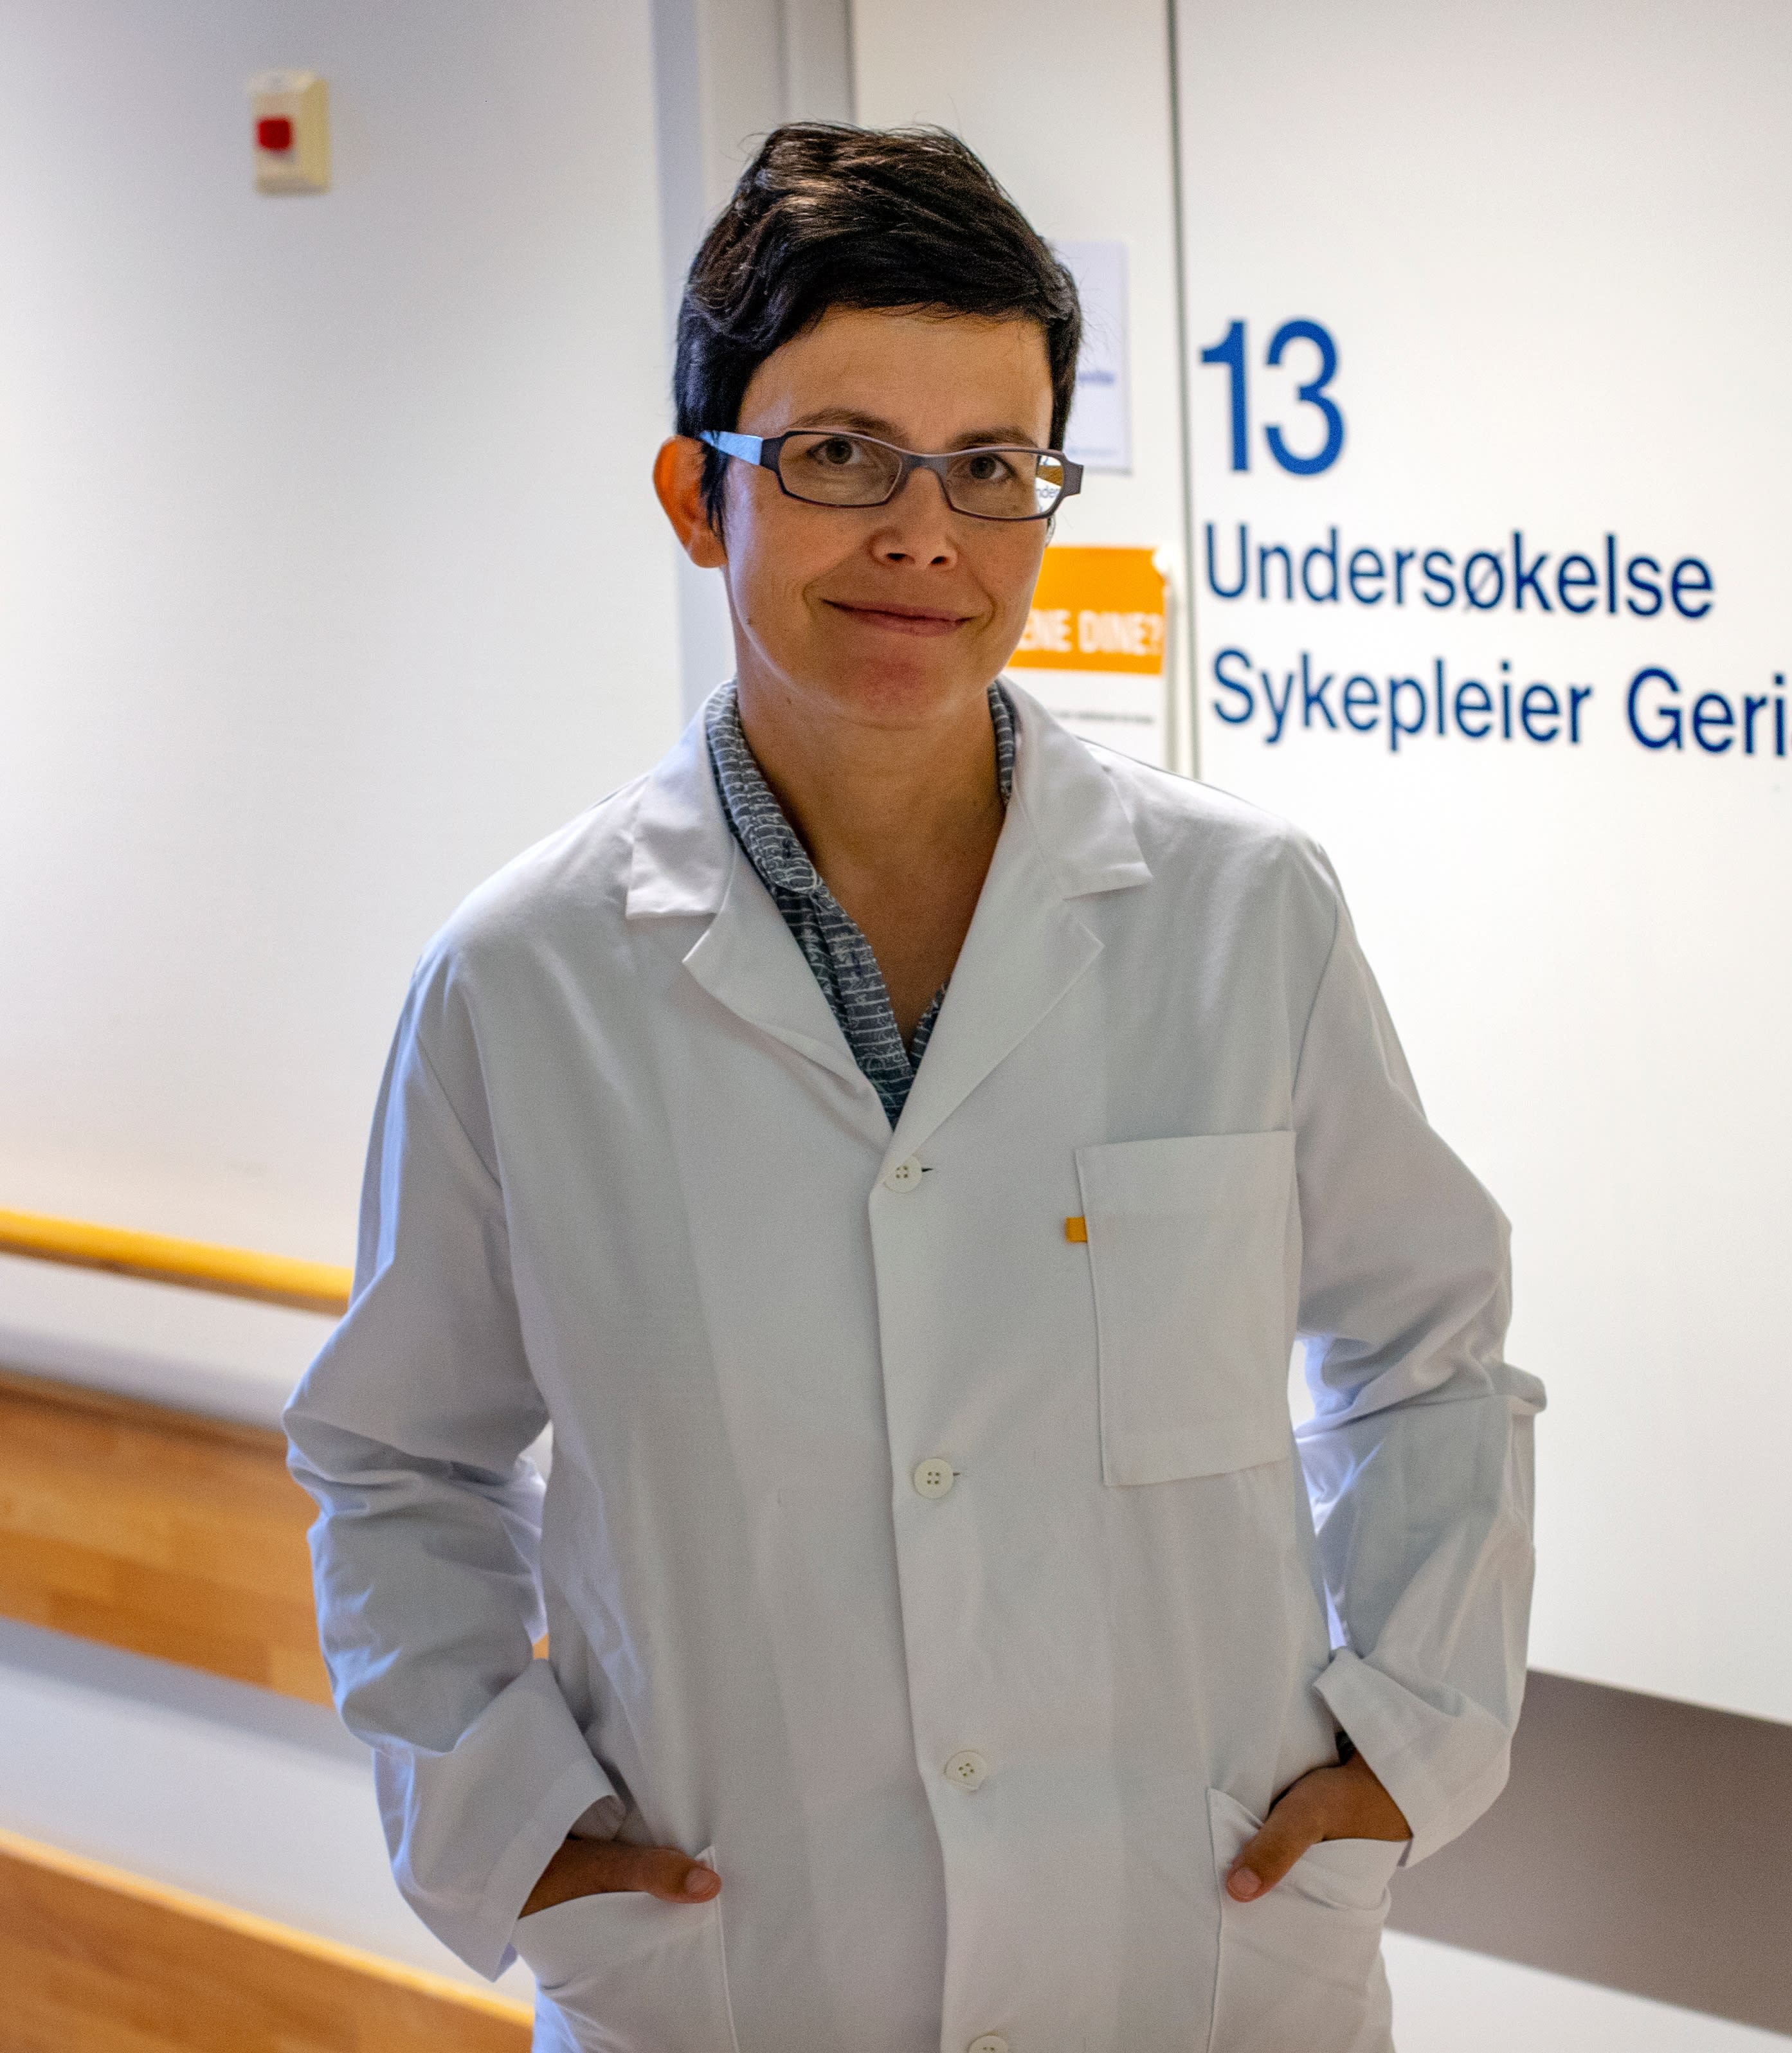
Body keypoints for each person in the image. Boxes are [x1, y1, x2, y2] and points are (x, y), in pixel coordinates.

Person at [284, 123, 1541, 2053]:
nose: (925, 534)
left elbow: (1428, 1352)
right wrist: (507, 1828)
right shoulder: (524, 980)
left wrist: (1411, 1740)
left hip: (1198, 1958)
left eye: (992, 467)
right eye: (842, 457)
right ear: (696, 498)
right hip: (744, 1971)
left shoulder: (1241, 914)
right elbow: (397, 1462)